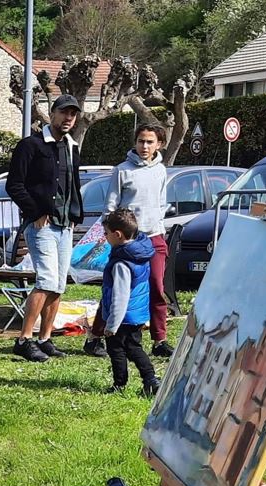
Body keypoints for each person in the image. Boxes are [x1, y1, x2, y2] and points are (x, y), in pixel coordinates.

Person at [5, 94, 84, 362]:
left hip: (64, 226)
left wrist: (76, 213)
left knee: (59, 285)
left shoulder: (72, 146)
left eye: (72, 114)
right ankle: (23, 339)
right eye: (64, 112)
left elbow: (73, 184)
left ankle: (45, 338)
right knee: (47, 280)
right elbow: (14, 185)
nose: (68, 118)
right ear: (52, 113)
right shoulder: (31, 145)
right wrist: (35, 211)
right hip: (42, 225)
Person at [89, 122, 172, 359]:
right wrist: (113, 234)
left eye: (149, 142)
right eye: (141, 141)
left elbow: (161, 202)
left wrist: (158, 225)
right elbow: (110, 206)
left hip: (154, 237)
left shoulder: (161, 170)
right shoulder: (122, 170)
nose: (144, 146)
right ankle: (96, 337)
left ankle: (159, 340)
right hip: (128, 240)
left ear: (159, 144)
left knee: (156, 287)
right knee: (115, 289)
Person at [98, 208, 159, 396]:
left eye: (106, 233)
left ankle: (121, 384)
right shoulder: (140, 252)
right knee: (134, 347)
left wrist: (112, 324)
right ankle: (150, 380)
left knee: (118, 350)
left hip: (123, 317)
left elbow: (120, 296)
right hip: (137, 313)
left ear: (117, 235)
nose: (105, 237)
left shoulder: (121, 263)